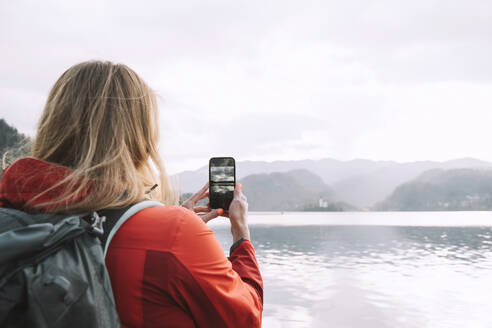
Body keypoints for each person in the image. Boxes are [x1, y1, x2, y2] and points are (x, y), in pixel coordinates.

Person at [0, 61, 263, 327]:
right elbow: (246, 320)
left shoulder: (11, 211)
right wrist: (241, 236)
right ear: (141, 136)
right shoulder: (174, 233)